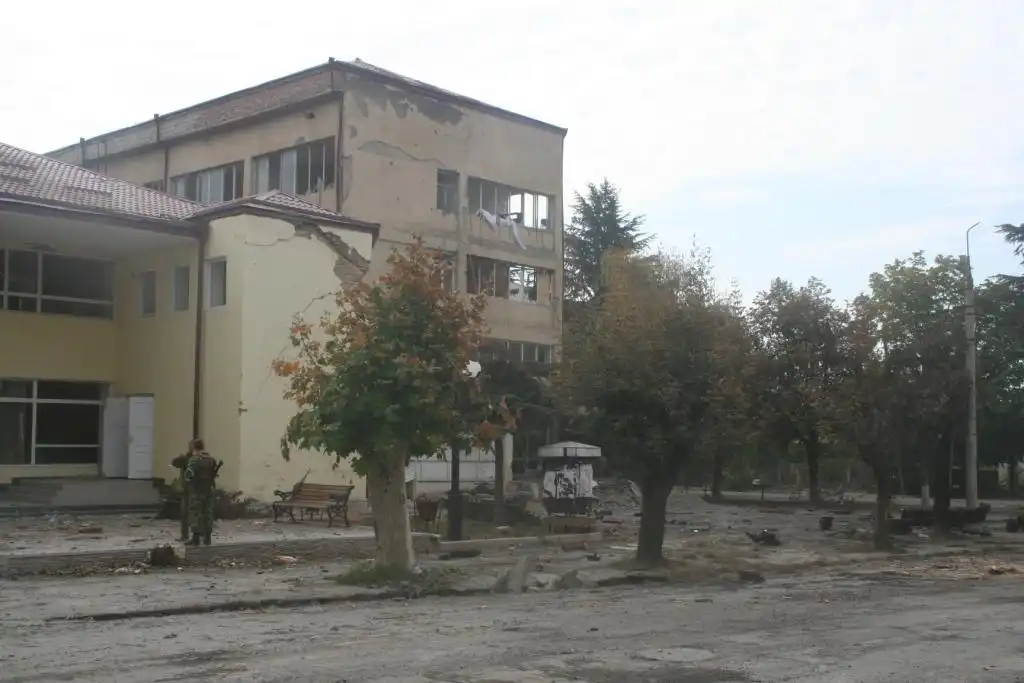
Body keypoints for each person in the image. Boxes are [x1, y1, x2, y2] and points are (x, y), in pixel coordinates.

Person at [183, 438, 221, 546]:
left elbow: (188, 475)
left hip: (197, 490)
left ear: (193, 448)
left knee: (195, 512)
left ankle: (196, 538)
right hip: (208, 489)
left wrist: (188, 482)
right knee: (207, 512)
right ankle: (207, 537)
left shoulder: (194, 460)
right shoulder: (211, 460)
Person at [171, 446, 193, 542]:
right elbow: (175, 462)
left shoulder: (199, 460)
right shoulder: (186, 459)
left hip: (194, 490)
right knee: (185, 513)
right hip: (188, 490)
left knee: (191, 514)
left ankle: (193, 536)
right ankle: (186, 535)